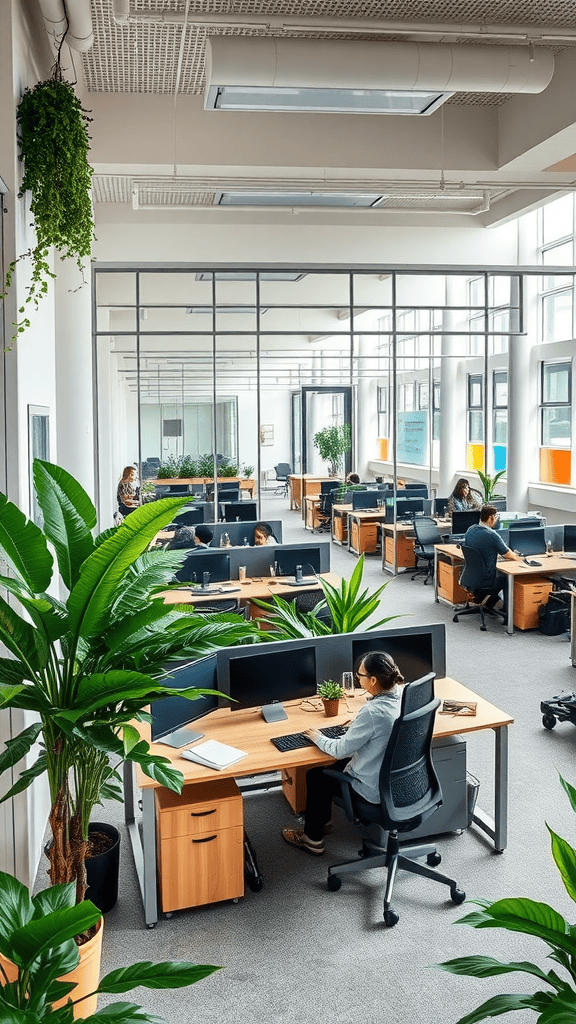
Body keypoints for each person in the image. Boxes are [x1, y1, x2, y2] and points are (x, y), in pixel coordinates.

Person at [281, 651, 404, 856]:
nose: (357, 678)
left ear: (373, 680)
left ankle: (312, 839)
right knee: (328, 771)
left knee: (316, 775)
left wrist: (317, 736)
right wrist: (357, 730)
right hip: (401, 783)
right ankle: (323, 823)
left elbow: (339, 751)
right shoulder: (404, 695)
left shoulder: (373, 712)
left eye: (360, 675)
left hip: (373, 789)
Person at [463, 503, 522, 608]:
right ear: (491, 517)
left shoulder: (470, 530)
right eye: (496, 517)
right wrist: (520, 557)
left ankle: (488, 602)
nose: (496, 520)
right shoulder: (492, 535)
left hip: (470, 576)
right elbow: (509, 555)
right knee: (506, 577)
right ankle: (506, 612)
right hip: (486, 580)